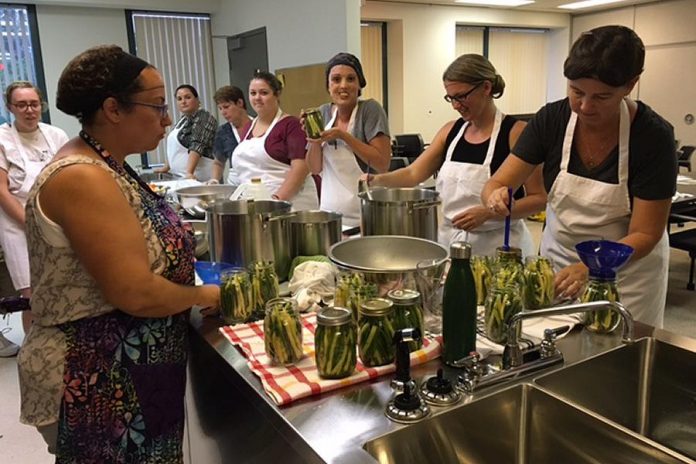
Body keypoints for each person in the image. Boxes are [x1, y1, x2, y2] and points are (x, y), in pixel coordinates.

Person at [17, 45, 220, 461]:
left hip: (130, 372)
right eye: (157, 106)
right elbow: (135, 293)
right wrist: (208, 295)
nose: (167, 118)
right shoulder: (82, 177)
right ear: (113, 109)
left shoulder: (109, 163)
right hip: (94, 378)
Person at [482, 25, 676, 328]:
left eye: (602, 97)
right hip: (559, 265)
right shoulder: (551, 120)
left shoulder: (652, 137)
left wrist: (592, 268)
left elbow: (647, 233)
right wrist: (494, 196)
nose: (585, 106)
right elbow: (499, 182)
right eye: (576, 92)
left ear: (630, 85)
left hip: (628, 275)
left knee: (616, 358)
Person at [364, 54, 545, 255]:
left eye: (462, 96)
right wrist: (378, 180)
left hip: (500, 249)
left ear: (486, 87)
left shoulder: (516, 133)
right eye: (451, 98)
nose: (456, 105)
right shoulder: (450, 132)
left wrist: (489, 213)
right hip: (451, 244)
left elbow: (538, 199)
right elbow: (413, 173)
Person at [0, 81, 69, 350]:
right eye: (21, 105)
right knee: (34, 295)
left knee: (61, 287)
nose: (29, 110)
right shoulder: (2, 138)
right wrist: (31, 225)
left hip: (56, 222)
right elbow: (2, 191)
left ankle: (64, 348)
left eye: (34, 104)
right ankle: (38, 352)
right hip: (18, 226)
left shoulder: (56, 135)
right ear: (10, 108)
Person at [304, 52, 391, 227]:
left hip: (367, 214)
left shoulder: (370, 110)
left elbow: (382, 163)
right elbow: (314, 168)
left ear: (359, 85)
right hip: (329, 214)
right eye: (336, 79)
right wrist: (313, 140)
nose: (343, 85)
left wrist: (343, 136)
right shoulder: (323, 112)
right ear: (328, 86)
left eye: (350, 79)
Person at [232, 70, 318, 210]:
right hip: (256, 208)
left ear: (277, 95)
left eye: (264, 93)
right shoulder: (248, 128)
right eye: (253, 93)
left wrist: (275, 202)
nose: (257, 98)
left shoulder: (291, 125)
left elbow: (301, 168)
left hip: (289, 206)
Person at [157, 84, 217, 180]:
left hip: (198, 179)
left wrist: (189, 172)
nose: (183, 102)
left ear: (197, 100)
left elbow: (197, 145)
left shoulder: (204, 117)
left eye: (187, 97)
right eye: (179, 99)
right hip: (180, 177)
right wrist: (167, 166)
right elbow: (174, 149)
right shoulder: (183, 120)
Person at [210, 85, 251, 186]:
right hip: (234, 185)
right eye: (220, 108)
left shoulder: (259, 126)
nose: (223, 112)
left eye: (226, 107)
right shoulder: (223, 132)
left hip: (257, 182)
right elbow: (219, 162)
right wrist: (214, 179)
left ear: (240, 103)